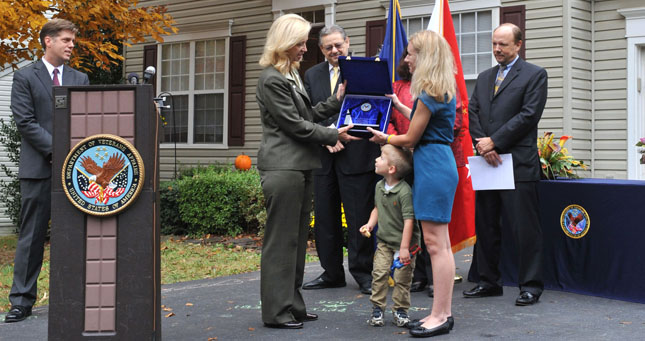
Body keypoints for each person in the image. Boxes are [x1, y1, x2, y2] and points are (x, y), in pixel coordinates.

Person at [255, 14, 358, 329]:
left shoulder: (290, 75)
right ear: (285, 43)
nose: (304, 49)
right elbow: (295, 126)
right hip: (283, 168)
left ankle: (292, 305)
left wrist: (336, 101)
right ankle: (275, 311)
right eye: (300, 43)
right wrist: (333, 135)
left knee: (297, 241)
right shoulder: (271, 78)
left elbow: (309, 114)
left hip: (299, 166)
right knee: (281, 243)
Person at [368, 30, 458, 338]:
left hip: (433, 166)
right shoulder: (439, 88)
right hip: (437, 162)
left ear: (425, 56)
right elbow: (422, 120)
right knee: (439, 244)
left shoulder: (430, 91)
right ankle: (439, 312)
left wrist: (385, 138)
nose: (407, 59)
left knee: (436, 245)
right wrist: (398, 104)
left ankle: (442, 314)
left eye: (411, 54)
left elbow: (411, 137)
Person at [5, 19, 89, 324]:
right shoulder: (25, 77)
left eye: (73, 42)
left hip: (76, 172)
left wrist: (74, 156)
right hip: (39, 170)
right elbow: (25, 122)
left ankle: (76, 297)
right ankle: (21, 302)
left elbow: (86, 122)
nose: (70, 46)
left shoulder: (81, 79)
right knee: (31, 237)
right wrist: (58, 151)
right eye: (66, 40)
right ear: (48, 41)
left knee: (77, 236)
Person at [463, 23, 547, 306]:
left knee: (525, 229)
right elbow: (472, 110)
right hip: (487, 162)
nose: (497, 49)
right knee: (486, 225)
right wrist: (482, 144)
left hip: (517, 163)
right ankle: (488, 281)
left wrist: (494, 142)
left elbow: (528, 115)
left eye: (504, 44)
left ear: (518, 45)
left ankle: (531, 286)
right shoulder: (485, 77)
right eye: (494, 44)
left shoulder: (535, 75)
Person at [302, 25, 380, 295]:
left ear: (348, 42)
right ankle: (331, 273)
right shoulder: (312, 75)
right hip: (324, 156)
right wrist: (327, 137)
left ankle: (364, 274)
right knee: (325, 218)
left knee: (359, 217)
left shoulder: (365, 69)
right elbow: (308, 113)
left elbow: (375, 106)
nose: (334, 51)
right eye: (328, 47)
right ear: (321, 50)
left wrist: (344, 135)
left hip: (358, 154)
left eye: (338, 45)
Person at [359, 144, 418, 328]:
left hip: (404, 245)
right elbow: (377, 208)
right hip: (384, 242)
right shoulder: (379, 186)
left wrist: (404, 248)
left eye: (381, 158)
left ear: (391, 169)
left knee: (402, 278)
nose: (376, 159)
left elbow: (409, 220)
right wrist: (370, 224)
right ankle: (377, 309)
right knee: (379, 273)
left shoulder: (404, 191)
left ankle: (401, 310)